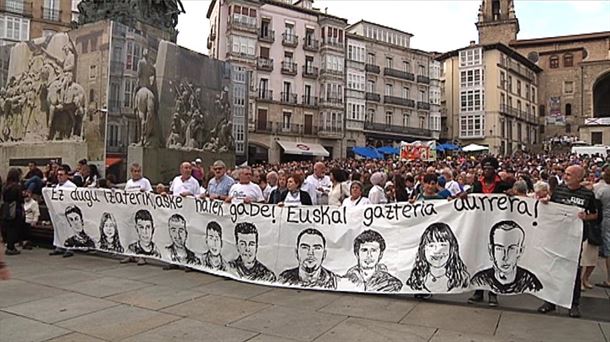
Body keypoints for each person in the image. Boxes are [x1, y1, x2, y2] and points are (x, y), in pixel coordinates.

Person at [537, 165, 597, 318]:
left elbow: (596, 215)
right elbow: (552, 205)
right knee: (553, 268)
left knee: (573, 270)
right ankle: (550, 301)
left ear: (578, 177)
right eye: (565, 173)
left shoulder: (588, 194)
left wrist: (586, 217)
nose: (565, 176)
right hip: (558, 236)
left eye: (569, 174)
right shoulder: (559, 190)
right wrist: (546, 202)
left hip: (575, 239)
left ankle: (573, 303)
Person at [468, 157, 510, 307]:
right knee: (479, 259)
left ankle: (493, 292)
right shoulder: (477, 184)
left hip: (497, 228)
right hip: (480, 227)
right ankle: (478, 291)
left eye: (489, 168)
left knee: (494, 260)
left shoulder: (503, 185)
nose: (486, 171)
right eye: (484, 168)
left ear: (494, 170)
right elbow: (470, 196)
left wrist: (511, 196)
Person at [470, 221, 542, 294]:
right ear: (491, 251)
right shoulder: (479, 281)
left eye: (512, 248)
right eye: (499, 249)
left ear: (520, 251)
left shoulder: (531, 283)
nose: (505, 257)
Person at [406, 222, 470, 293]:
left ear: (451, 249)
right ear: (423, 249)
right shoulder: (416, 277)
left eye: (442, 245)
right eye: (431, 245)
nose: (437, 251)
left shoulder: (462, 278)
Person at [49, 167, 77, 257]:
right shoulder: (57, 186)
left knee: (69, 230)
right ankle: (59, 246)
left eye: (61, 175)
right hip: (59, 211)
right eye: (58, 175)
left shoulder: (71, 186)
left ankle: (70, 248)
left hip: (68, 212)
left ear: (66, 176)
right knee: (59, 229)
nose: (59, 177)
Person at [1, 168, 25, 255]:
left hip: (6, 207)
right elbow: (20, 199)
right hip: (15, 208)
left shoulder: (5, 186)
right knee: (14, 228)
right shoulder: (17, 187)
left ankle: (9, 245)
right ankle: (11, 247)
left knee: (8, 227)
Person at [595, 168, 610, 290]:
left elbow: (595, 201)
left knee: (608, 250)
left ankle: (609, 279)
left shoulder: (603, 190)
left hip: (606, 220)